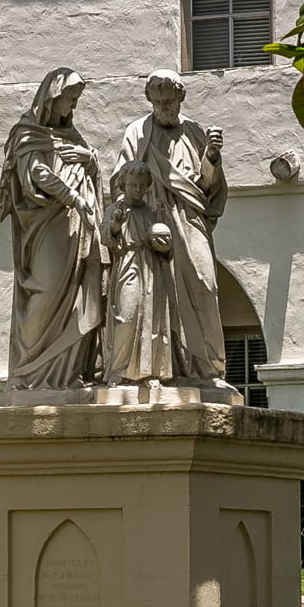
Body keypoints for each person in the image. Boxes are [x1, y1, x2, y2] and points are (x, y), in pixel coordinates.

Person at [117, 69, 230, 387]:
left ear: (181, 98)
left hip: (190, 219)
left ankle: (209, 368)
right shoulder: (138, 132)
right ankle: (162, 370)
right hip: (151, 220)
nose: (165, 108)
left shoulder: (194, 131)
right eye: (159, 102)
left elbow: (210, 187)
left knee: (204, 284)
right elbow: (122, 179)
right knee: (159, 295)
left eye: (170, 102)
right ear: (149, 100)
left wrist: (211, 156)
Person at [0, 67, 104, 390]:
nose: (72, 107)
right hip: (47, 224)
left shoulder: (73, 137)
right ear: (52, 98)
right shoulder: (27, 134)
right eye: (69, 99)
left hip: (78, 227)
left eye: (76, 100)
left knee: (77, 294)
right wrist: (72, 197)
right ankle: (30, 370)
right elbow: (36, 174)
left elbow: (91, 170)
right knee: (46, 290)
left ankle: (68, 373)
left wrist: (89, 159)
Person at [103, 160, 176, 385]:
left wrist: (163, 246)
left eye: (141, 185)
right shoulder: (115, 209)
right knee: (127, 315)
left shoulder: (152, 213)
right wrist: (116, 223)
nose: (137, 190)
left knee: (151, 321)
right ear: (123, 184)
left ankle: (149, 373)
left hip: (150, 267)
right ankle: (118, 369)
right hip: (127, 264)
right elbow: (105, 237)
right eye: (133, 184)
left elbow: (168, 251)